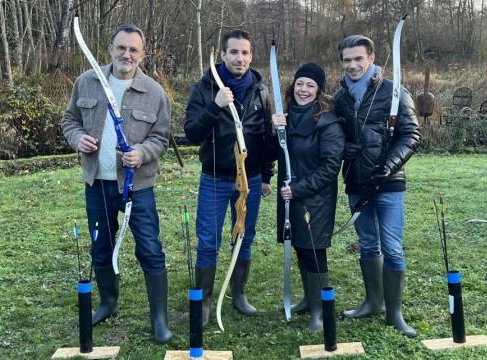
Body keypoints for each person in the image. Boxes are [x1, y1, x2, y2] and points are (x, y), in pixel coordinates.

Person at [61, 24, 172, 343]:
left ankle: (159, 319)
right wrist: (77, 137)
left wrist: (141, 152)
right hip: (97, 184)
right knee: (100, 248)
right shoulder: (87, 82)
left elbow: (160, 138)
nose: (127, 54)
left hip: (138, 188)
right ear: (110, 48)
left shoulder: (154, 92)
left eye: (133, 50)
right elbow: (69, 119)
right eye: (121, 48)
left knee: (150, 249)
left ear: (142, 54)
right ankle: (108, 303)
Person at [184, 29, 275, 328]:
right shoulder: (204, 89)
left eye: (245, 53)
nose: (240, 58)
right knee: (208, 240)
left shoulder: (260, 90)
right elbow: (192, 133)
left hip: (250, 180)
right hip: (215, 177)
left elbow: (265, 137)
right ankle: (207, 300)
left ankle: (238, 294)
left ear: (251, 55)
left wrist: (266, 176)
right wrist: (216, 105)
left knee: (244, 237)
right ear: (223, 55)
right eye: (234, 52)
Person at [334, 35, 421, 338]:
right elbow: (333, 135)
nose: (353, 65)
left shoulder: (394, 92)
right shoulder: (340, 96)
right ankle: (373, 303)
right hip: (357, 183)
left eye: (358, 58)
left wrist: (389, 166)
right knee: (368, 244)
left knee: (392, 248)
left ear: (371, 58)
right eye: (347, 60)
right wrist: (344, 149)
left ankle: (394, 313)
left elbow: (411, 135)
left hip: (389, 184)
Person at [271, 63, 344, 332]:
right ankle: (308, 299)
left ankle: (321, 311)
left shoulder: (328, 122)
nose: (303, 90)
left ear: (319, 91)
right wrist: (273, 127)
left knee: (314, 251)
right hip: (291, 195)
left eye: (310, 85)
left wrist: (299, 189)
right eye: (300, 84)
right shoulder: (287, 118)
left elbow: (330, 168)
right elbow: (275, 152)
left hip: (315, 198)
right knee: (301, 247)